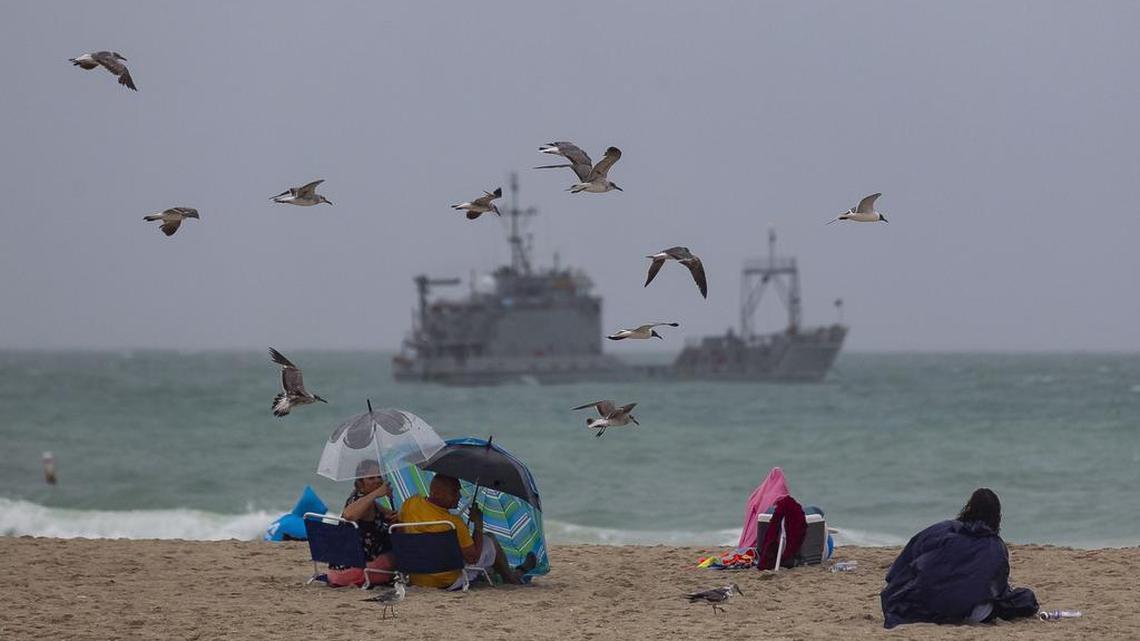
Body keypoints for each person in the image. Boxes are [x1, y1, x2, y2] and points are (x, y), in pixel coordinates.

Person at [880, 488, 1038, 628]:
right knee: (1023, 598)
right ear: (997, 515)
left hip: (924, 605)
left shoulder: (940, 531)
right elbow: (997, 589)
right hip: (970, 614)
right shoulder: (995, 546)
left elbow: (902, 563)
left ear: (969, 508)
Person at [397, 474, 535, 589]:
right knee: (489, 539)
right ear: (436, 494)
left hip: (418, 579)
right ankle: (512, 577)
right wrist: (478, 525)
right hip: (448, 581)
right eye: (454, 492)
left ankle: (510, 573)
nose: (459, 496)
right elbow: (473, 558)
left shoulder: (410, 504)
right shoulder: (453, 523)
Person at [325, 460, 398, 587]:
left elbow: (391, 515)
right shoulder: (363, 502)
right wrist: (377, 493)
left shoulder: (362, 499)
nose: (377, 480)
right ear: (360, 482)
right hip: (358, 572)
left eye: (379, 476)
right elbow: (349, 515)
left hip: (337, 571)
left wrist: (392, 506)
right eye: (370, 478)